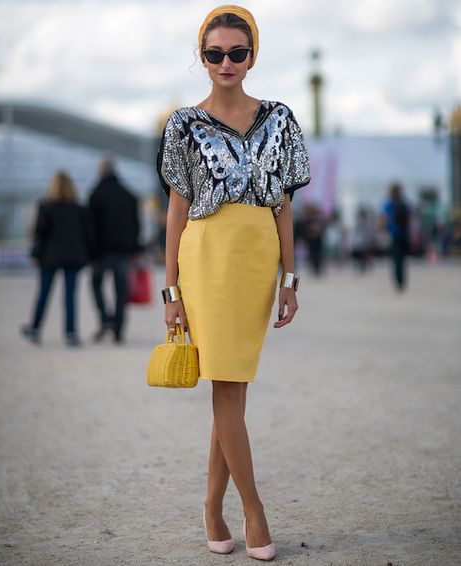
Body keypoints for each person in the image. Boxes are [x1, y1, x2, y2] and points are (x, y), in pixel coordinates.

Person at [157, 6, 310, 561]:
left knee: (234, 391)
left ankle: (211, 506)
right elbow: (176, 212)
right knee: (225, 388)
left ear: (253, 56)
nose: (226, 62)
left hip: (257, 262)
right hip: (206, 260)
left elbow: (285, 208)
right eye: (215, 53)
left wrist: (290, 279)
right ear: (202, 57)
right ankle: (254, 511)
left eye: (236, 53)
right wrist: (170, 292)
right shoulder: (183, 125)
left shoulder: (281, 118)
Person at [21, 171, 91, 346]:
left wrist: (36, 255)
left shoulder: (45, 207)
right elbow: (87, 234)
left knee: (44, 294)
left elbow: (40, 235)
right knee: (70, 296)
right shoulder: (79, 208)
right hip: (74, 256)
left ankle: (35, 328)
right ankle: (70, 333)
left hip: (49, 257)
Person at [88, 158, 140, 343]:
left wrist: (90, 251)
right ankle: (118, 329)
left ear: (102, 172)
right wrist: (135, 249)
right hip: (124, 251)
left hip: (101, 252)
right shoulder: (129, 195)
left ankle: (105, 318)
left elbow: (90, 226)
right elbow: (136, 225)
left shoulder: (95, 195)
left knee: (96, 283)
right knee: (121, 291)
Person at [381, 183, 410, 290]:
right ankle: (402, 279)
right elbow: (409, 218)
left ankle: (398, 280)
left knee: (396, 259)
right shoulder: (404, 202)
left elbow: (384, 219)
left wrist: (383, 231)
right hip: (404, 234)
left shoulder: (388, 204)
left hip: (393, 234)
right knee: (402, 259)